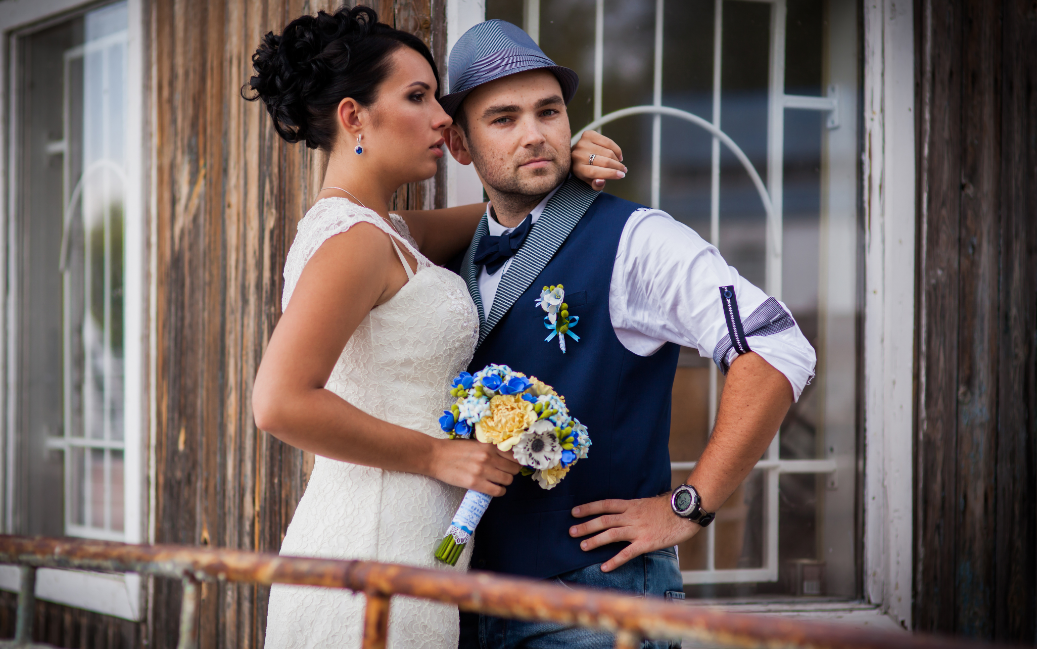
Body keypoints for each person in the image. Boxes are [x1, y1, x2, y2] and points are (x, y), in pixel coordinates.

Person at [242, 7, 623, 648]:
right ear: (353, 117)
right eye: (417, 97)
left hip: (408, 535)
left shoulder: (385, 231)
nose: (442, 118)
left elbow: (494, 215)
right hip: (374, 536)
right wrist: (438, 455)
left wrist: (557, 170)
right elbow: (278, 403)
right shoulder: (355, 243)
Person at [439, 20, 818, 649]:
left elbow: (777, 346)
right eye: (504, 119)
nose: (535, 135)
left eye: (549, 111)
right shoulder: (455, 258)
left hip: (598, 602)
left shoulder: (638, 240)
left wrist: (688, 506)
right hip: (470, 605)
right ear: (459, 144)